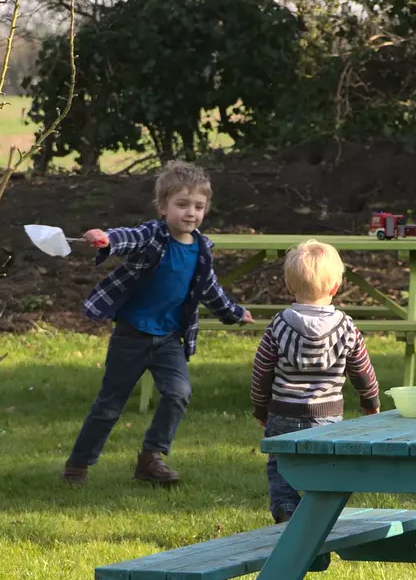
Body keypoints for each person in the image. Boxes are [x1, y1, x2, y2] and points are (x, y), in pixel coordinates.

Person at [62, 161, 253, 486]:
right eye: (182, 205)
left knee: (179, 392)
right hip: (131, 336)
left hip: (168, 340)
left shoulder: (202, 249)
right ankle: (78, 464)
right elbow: (128, 237)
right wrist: (106, 238)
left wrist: (234, 312)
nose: (190, 213)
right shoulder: (153, 235)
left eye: (198, 206)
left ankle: (151, 458)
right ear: (163, 208)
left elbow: (210, 289)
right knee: (109, 405)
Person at [250, 240, 380, 522]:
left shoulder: (279, 325)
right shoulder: (346, 327)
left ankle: (286, 508)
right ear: (335, 287)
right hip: (327, 417)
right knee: (324, 464)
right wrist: (370, 401)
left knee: (280, 465)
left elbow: (262, 371)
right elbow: (361, 370)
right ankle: (319, 511)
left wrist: (261, 407)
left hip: (282, 412)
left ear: (288, 285)